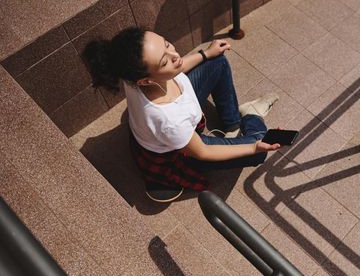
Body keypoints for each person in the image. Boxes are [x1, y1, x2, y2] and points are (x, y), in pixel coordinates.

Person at [83, 27, 280, 203]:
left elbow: (178, 67)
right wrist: (254, 146)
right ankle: (252, 117)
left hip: (175, 123)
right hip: (182, 150)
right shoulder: (169, 119)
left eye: (167, 44)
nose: (175, 55)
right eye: (164, 61)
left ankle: (233, 123)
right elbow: (203, 152)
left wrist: (205, 53)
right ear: (144, 81)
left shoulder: (132, 75)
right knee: (261, 147)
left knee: (217, 61)